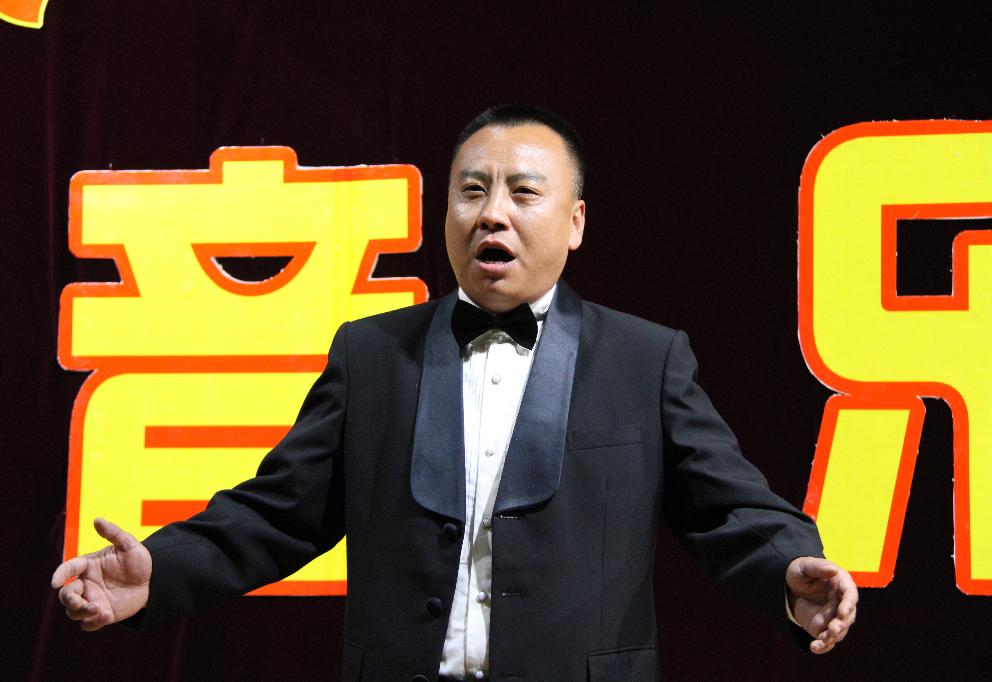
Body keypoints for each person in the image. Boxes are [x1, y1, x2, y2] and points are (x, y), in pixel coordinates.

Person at [52, 105, 857, 681]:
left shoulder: (644, 360)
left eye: (523, 193)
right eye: (472, 191)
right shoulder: (372, 355)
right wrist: (158, 571)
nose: (491, 214)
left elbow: (728, 508)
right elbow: (279, 511)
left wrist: (791, 569)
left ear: (576, 221)